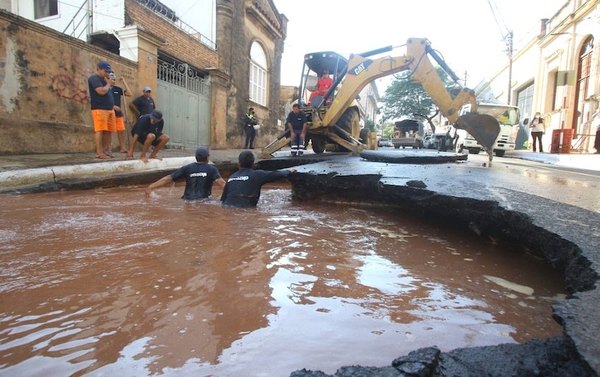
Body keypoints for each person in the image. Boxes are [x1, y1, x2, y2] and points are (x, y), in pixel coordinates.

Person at [145, 146, 226, 199]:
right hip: (204, 201)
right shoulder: (212, 169)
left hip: (187, 200)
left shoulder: (187, 168)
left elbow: (168, 179)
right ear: (207, 157)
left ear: (196, 157)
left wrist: (151, 187)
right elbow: (222, 183)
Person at [221, 150, 294, 208]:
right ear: (253, 164)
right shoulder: (257, 175)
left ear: (238, 164)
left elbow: (222, 200)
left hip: (228, 208)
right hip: (245, 210)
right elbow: (277, 174)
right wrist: (290, 171)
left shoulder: (231, 178)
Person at [87, 61, 115, 159]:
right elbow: (101, 91)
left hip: (109, 109)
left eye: (109, 71)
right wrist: (108, 84)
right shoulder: (94, 78)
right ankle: (99, 152)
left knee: (108, 131)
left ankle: (106, 150)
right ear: (98, 69)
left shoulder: (105, 79)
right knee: (100, 130)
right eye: (105, 71)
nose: (107, 73)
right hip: (99, 109)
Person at [108, 72, 132, 154]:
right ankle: (108, 148)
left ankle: (122, 147)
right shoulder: (105, 88)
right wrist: (112, 106)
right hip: (109, 112)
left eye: (115, 80)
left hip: (118, 113)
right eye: (112, 79)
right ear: (108, 79)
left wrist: (124, 82)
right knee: (109, 131)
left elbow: (129, 94)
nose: (114, 81)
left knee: (121, 130)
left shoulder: (117, 89)